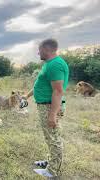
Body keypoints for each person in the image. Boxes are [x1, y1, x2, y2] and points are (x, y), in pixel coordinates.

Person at [24, 38, 69, 178]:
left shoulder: (55, 65)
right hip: (45, 106)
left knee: (54, 138)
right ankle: (50, 162)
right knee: (50, 137)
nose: (38, 53)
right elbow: (40, 84)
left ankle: (52, 171)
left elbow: (58, 91)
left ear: (46, 49)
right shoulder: (48, 64)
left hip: (50, 107)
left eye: (40, 50)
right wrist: (27, 96)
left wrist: (52, 115)